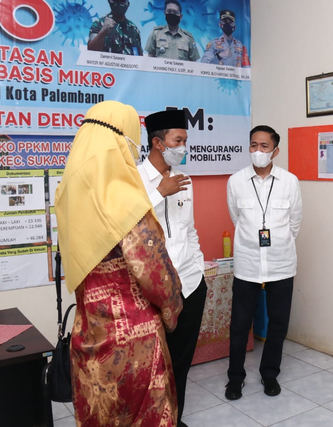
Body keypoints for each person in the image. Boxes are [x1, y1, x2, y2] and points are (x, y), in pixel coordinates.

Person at [55, 101, 183, 426]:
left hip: (89, 336)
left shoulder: (68, 197)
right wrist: (172, 311)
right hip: (134, 344)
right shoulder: (125, 202)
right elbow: (156, 275)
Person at [139, 109, 206, 427]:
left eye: (185, 140)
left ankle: (173, 419)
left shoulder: (185, 180)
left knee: (180, 360)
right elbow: (125, 227)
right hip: (151, 291)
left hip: (190, 284)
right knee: (151, 363)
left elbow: (189, 230)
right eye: (178, 141)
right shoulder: (134, 181)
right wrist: (157, 194)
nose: (183, 147)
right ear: (157, 143)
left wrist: (198, 268)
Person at [224, 125, 302, 400]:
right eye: (254, 145)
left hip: (281, 263)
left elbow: (294, 223)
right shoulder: (235, 181)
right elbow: (237, 218)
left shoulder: (290, 181)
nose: (258, 151)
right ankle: (235, 378)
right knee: (239, 324)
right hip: (248, 264)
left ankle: (270, 374)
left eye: (264, 146)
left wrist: (278, 242)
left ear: (275, 151)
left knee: (278, 323)